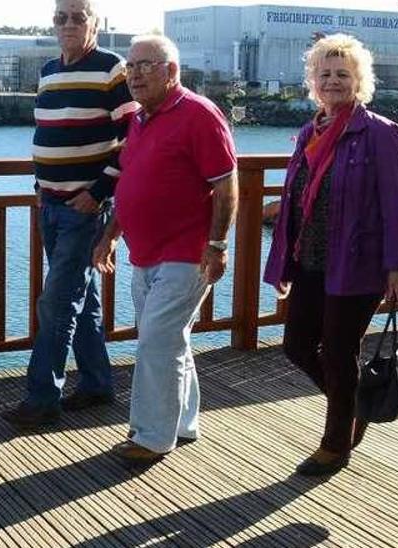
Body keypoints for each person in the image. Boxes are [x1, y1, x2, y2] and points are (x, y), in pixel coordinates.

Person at [261, 33, 398, 477]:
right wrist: (283, 261)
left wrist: (397, 266)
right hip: (311, 259)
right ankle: (355, 407)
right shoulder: (310, 132)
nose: (332, 82)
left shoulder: (381, 133)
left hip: (359, 262)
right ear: (313, 81)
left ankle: (335, 444)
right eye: (324, 74)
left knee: (339, 351)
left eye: (342, 74)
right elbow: (295, 200)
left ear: (359, 81)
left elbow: (397, 204)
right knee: (297, 345)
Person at [92, 34, 237, 464]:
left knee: (156, 343)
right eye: (130, 66)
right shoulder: (139, 119)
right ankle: (183, 422)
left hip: (187, 252)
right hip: (147, 253)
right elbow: (131, 184)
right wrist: (110, 234)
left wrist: (217, 245)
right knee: (170, 340)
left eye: (145, 65)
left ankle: (152, 436)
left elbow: (226, 184)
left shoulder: (199, 114)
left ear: (171, 71)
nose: (133, 74)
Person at [1, 0, 139, 427]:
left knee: (57, 303)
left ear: (95, 23)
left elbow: (133, 139)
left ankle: (43, 398)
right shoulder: (48, 72)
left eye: (78, 17)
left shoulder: (112, 69)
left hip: (84, 210)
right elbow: (50, 132)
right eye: (61, 17)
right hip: (51, 205)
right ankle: (97, 382)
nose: (68, 24)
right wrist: (40, 185)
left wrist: (99, 192)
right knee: (83, 300)